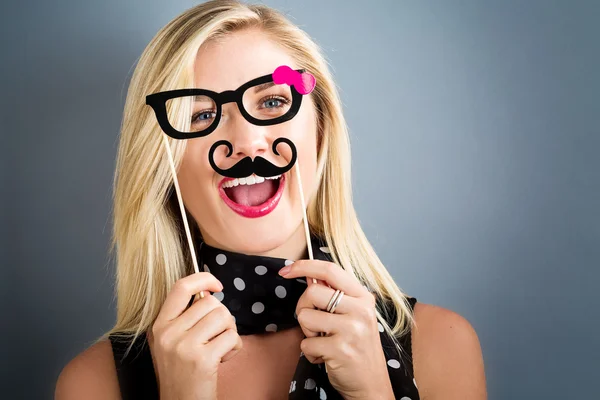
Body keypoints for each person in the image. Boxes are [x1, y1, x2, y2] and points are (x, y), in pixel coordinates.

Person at [55, 1, 487, 399]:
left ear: (322, 131)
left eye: (274, 101)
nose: (247, 143)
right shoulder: (94, 383)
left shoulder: (442, 345)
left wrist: (373, 392)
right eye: (201, 115)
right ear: (162, 164)